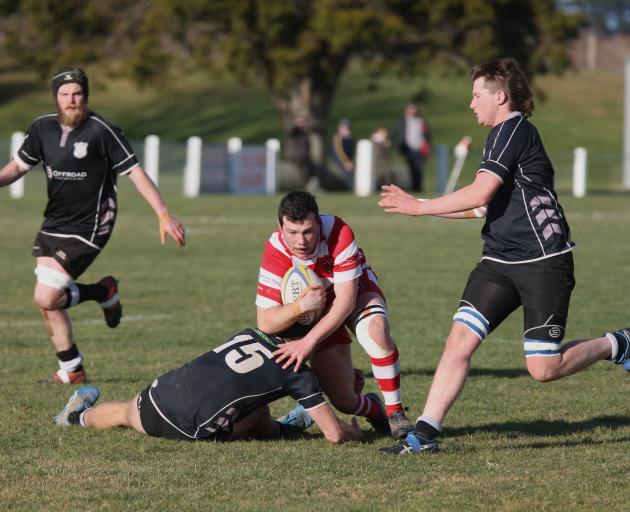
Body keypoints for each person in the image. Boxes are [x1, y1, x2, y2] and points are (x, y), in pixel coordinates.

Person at [378, 57, 630, 455]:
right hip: (499, 260)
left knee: (543, 369)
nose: (471, 103)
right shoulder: (498, 135)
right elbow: (482, 208)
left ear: (500, 96)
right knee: (458, 341)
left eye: (477, 95)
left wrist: (419, 208)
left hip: (542, 261)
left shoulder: (514, 129)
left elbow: (478, 194)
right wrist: (424, 204)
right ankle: (426, 433)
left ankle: (616, 344)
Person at [0, 67, 186, 384]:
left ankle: (100, 294)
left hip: (92, 223)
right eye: (65, 94)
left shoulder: (102, 130)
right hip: (54, 221)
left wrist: (163, 213)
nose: (71, 100)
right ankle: (72, 367)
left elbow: (136, 173)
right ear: (55, 97)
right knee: (49, 301)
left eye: (77, 94)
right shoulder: (41, 128)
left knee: (46, 297)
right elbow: (19, 166)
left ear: (85, 96)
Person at [255, 190, 413, 439]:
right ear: (280, 226)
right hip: (314, 311)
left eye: (308, 231)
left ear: (318, 223)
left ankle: (396, 413)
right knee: (344, 400)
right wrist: (300, 308)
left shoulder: (338, 231)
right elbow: (265, 321)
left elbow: (346, 302)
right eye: (292, 232)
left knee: (376, 333)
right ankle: (374, 409)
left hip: (352, 292)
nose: (301, 241)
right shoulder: (275, 248)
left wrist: (309, 342)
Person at [53, 327, 361, 444]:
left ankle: (75, 417)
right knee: (255, 411)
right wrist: (352, 432)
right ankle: (286, 427)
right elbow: (333, 435)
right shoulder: (298, 373)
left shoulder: (251, 333)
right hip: (188, 426)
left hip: (160, 394)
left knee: (123, 412)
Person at [393, 103, 430, 192]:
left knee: (419, 169)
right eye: (411, 109)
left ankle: (417, 188)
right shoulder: (402, 122)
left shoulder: (420, 121)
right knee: (409, 169)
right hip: (407, 149)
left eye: (414, 109)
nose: (413, 111)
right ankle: (411, 187)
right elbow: (395, 134)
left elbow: (427, 135)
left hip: (419, 149)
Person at [286, 116, 319, 192]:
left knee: (313, 168)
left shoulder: (305, 132)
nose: (302, 124)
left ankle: (311, 186)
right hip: (296, 156)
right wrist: (296, 125)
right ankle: (306, 186)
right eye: (300, 122)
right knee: (305, 169)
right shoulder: (295, 131)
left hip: (305, 156)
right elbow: (290, 131)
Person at [330, 118, 354, 189]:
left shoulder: (349, 138)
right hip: (338, 163)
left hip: (348, 162)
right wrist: (345, 162)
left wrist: (348, 139)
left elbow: (351, 150)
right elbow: (339, 151)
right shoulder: (337, 138)